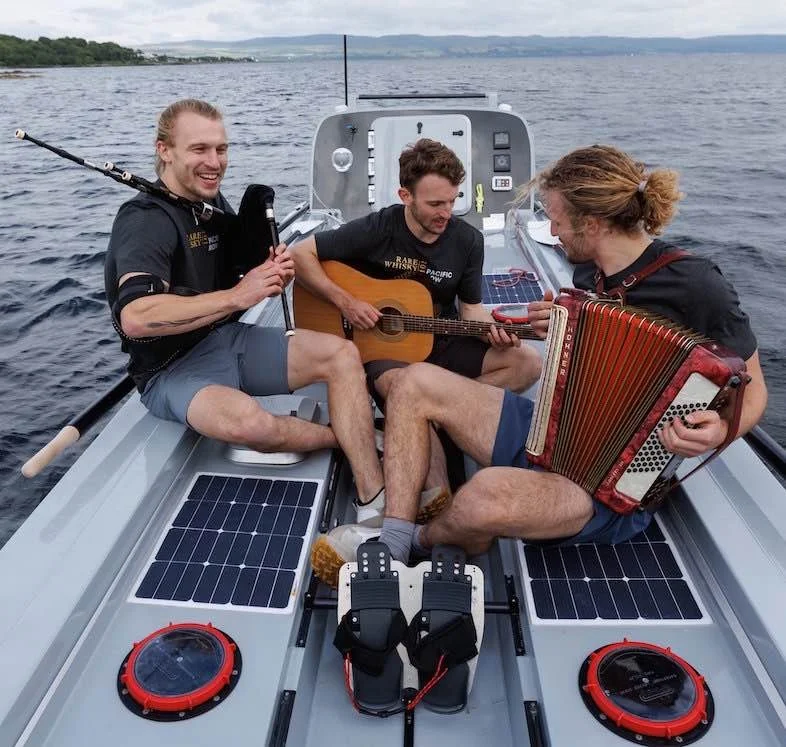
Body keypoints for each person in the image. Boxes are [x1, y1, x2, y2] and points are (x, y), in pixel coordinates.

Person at [310, 144, 768, 588]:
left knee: (482, 497)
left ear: (591, 224)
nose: (551, 230)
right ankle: (391, 542)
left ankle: (420, 539)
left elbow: (753, 392)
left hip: (605, 485)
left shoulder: (697, 285)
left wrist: (717, 429)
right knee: (412, 383)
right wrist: (564, 323)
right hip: (553, 431)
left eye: (556, 219)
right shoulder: (590, 275)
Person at [104, 98, 421, 519]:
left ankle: (372, 496)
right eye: (199, 149)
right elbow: (137, 317)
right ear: (164, 150)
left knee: (341, 354)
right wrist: (240, 297)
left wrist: (270, 274)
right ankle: (343, 436)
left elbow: (236, 273)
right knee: (251, 426)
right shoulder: (145, 220)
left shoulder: (210, 204)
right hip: (171, 370)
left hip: (224, 338)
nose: (214, 162)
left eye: (221, 149)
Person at [293, 138, 542, 507]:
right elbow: (302, 255)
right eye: (435, 203)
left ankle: (436, 417)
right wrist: (346, 303)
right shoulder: (379, 228)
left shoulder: (468, 241)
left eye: (453, 200)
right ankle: (439, 490)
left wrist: (500, 331)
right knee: (405, 388)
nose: (446, 212)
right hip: (384, 349)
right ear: (405, 195)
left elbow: (471, 310)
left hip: (440, 338)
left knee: (527, 362)